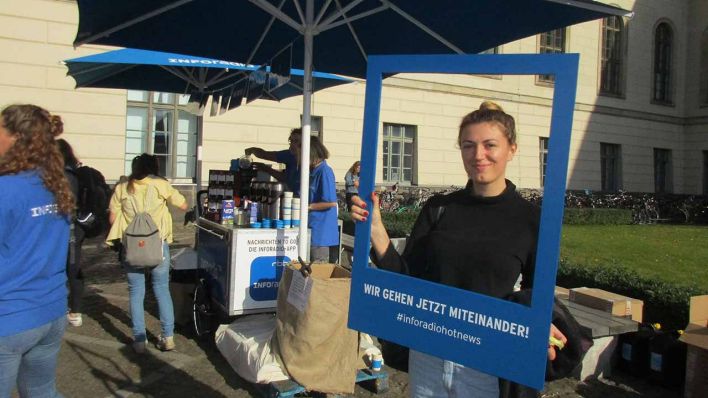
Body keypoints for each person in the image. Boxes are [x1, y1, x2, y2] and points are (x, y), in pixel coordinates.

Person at [350, 101, 567, 397]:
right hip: (428, 356)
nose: (478, 155)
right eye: (468, 145)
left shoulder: (531, 219)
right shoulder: (439, 208)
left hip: (488, 364)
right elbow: (406, 280)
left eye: (490, 145)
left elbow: (537, 293)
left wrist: (541, 325)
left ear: (511, 149)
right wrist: (376, 228)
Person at [0, 104, 73, 397]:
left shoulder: (6, 188)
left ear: (16, 137)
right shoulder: (55, 183)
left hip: (10, 315)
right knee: (42, 392)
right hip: (50, 312)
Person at [106, 153, 188, 353]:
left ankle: (139, 340)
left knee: (136, 292)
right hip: (158, 245)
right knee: (161, 289)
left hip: (132, 247)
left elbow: (112, 218)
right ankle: (168, 337)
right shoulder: (160, 185)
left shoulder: (122, 188)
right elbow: (184, 205)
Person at [56, 138, 85, 327]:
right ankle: (75, 310)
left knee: (67, 270)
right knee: (73, 269)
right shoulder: (75, 174)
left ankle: (72, 310)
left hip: (67, 228)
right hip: (75, 230)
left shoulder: (64, 177)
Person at [296, 136, 339, 262]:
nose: (300, 158)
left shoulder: (324, 171)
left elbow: (331, 202)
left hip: (321, 233)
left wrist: (308, 207)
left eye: (302, 155)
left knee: (318, 269)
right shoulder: (312, 171)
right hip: (312, 228)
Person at [245, 128, 301, 196]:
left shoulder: (310, 161)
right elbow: (264, 154)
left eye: (296, 141)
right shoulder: (289, 155)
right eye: (291, 141)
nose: (292, 144)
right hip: (290, 198)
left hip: (305, 201)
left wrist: (265, 168)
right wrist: (252, 150)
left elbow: (264, 155)